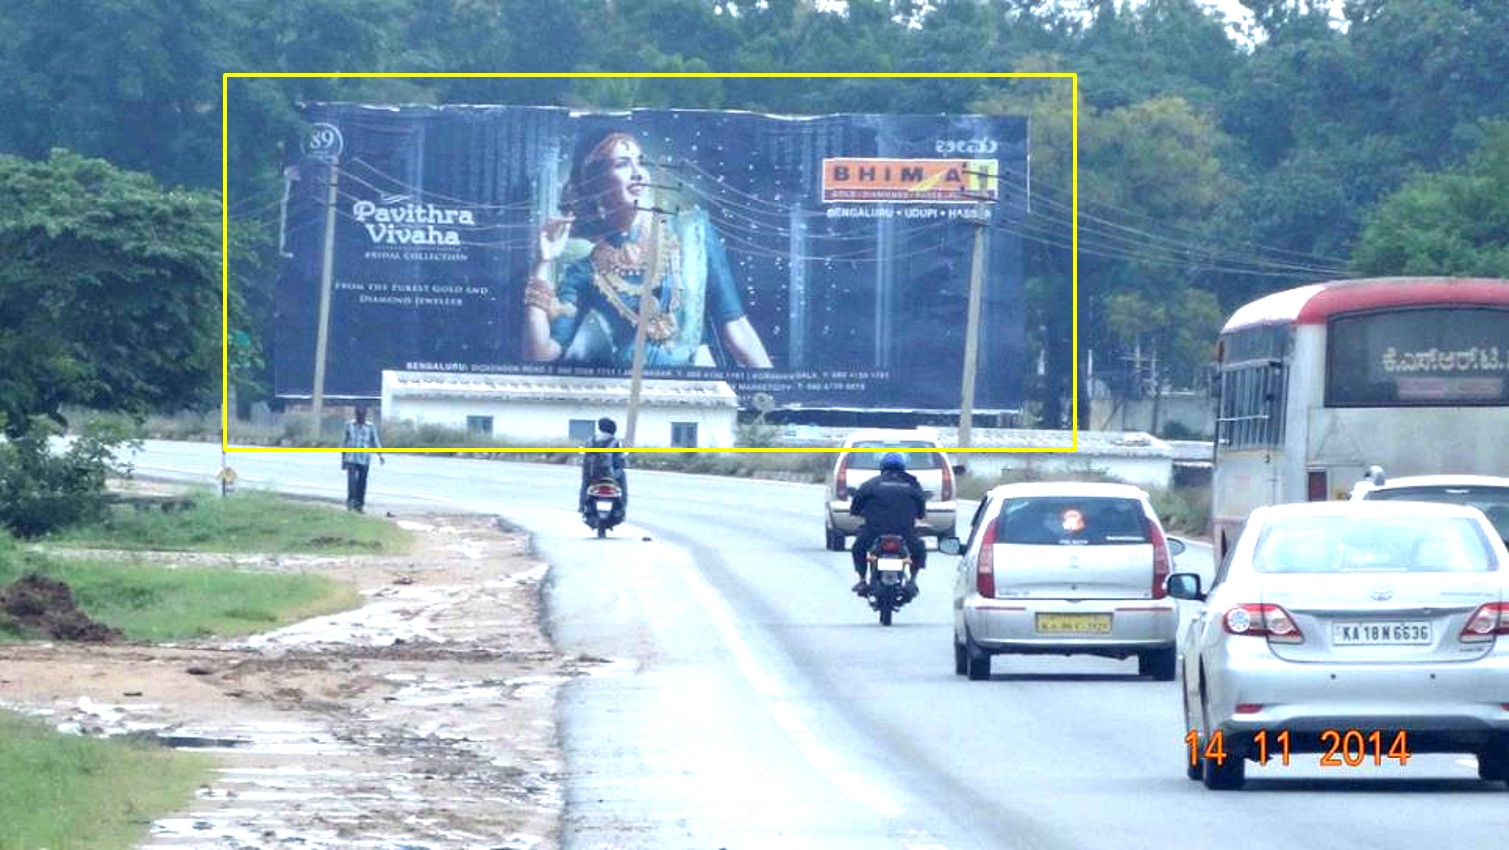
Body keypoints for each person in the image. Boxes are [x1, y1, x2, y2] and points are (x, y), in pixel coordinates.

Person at [522, 128, 773, 370]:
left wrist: (773, 400)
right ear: (594, 184)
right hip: (627, 395)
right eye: (622, 164)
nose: (638, 173)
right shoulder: (585, 272)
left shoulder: (692, 232)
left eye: (640, 162)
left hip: (696, 391)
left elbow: (735, 328)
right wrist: (541, 264)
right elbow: (540, 356)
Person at [849, 451, 928, 598]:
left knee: (858, 549)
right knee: (919, 549)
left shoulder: (871, 484)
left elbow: (855, 507)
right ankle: (913, 580)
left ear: (882, 467)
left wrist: (858, 512)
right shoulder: (912, 485)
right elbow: (921, 510)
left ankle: (862, 580)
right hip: (905, 532)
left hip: (874, 531)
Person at [341, 405, 384, 513]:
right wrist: (343, 459)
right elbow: (345, 442)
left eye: (362, 415)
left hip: (364, 458)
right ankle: (351, 502)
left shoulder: (370, 427)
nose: (360, 417)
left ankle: (359, 505)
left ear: (365, 415)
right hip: (351, 457)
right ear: (356, 415)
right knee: (352, 482)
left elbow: (375, 441)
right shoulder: (349, 425)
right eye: (358, 415)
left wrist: (380, 455)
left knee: (362, 483)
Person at [580, 416, 627, 515]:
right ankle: (622, 506)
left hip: (592, 474)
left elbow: (584, 455)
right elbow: (621, 458)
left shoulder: (591, 440)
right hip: (610, 475)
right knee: (622, 481)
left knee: (585, 483)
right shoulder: (616, 441)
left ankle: (581, 505)